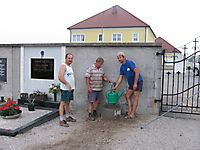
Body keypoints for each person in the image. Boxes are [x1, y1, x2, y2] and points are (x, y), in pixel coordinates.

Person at [113, 52, 143, 119]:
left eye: (120, 57)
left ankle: (133, 113)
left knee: (135, 96)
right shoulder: (122, 67)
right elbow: (121, 77)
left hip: (138, 81)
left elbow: (137, 71)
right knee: (127, 95)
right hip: (131, 84)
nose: (119, 59)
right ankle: (129, 111)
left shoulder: (129, 63)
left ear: (124, 57)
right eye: (118, 58)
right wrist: (116, 86)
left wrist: (135, 83)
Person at [58, 53, 76, 127]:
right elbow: (60, 77)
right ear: (66, 58)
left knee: (68, 103)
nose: (70, 60)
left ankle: (67, 116)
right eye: (69, 58)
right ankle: (61, 120)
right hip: (65, 89)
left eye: (71, 58)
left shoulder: (70, 67)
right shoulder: (63, 66)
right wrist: (67, 84)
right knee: (63, 103)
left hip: (70, 89)